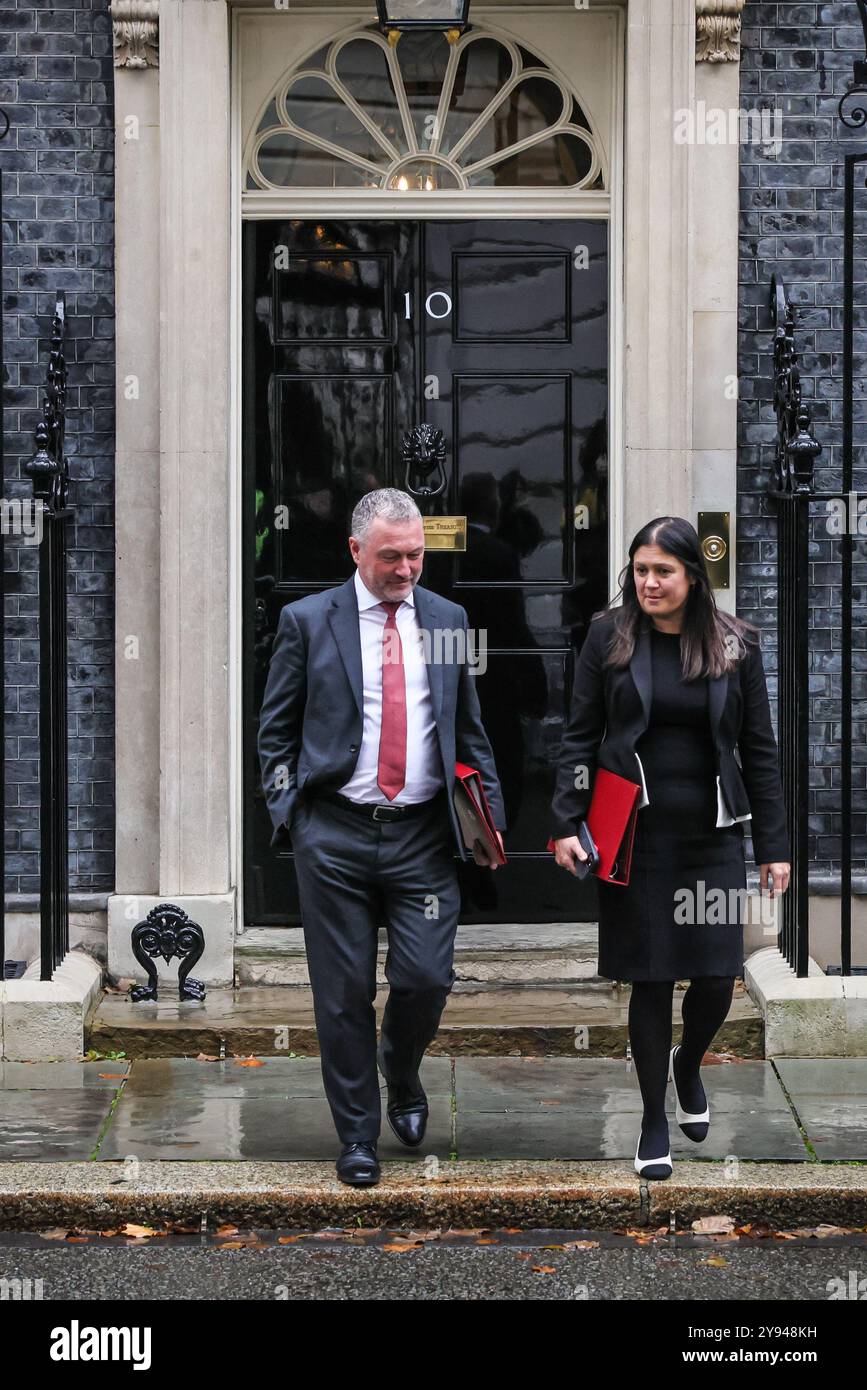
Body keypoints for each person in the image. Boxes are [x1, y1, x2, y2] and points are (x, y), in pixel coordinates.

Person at [258, 488, 505, 1187]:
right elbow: (274, 731)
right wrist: (290, 815)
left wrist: (488, 819)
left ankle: (400, 1067)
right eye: (391, 556)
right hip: (332, 834)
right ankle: (357, 1138)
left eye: (416, 555)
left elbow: (469, 728)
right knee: (339, 995)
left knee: (425, 977)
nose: (405, 570)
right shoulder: (307, 621)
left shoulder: (448, 618)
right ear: (356, 551)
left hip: (422, 837)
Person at [549, 516, 791, 1180]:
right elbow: (577, 736)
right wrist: (568, 820)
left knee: (715, 977)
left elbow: (760, 752)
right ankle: (653, 1118)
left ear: (691, 576)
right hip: (634, 838)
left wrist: (773, 845)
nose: (648, 582)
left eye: (662, 571)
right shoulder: (608, 636)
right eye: (640, 569)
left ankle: (688, 1064)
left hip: (710, 838)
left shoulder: (734, 644)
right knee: (650, 978)